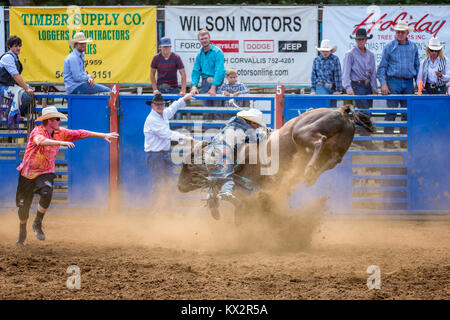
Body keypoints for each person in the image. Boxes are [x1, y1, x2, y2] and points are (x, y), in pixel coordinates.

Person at [15, 106, 119, 245]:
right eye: (57, 119)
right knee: (23, 209)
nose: (60, 121)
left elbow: (80, 133)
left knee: (47, 192)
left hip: (45, 171)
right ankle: (22, 231)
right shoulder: (37, 131)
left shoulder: (60, 132)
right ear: (49, 120)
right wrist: (61, 142)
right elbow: (41, 141)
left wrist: (103, 135)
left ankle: (37, 222)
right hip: (27, 174)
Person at [204, 108, 267, 220]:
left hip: (210, 151)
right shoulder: (249, 130)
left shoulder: (230, 123)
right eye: (257, 125)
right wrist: (265, 133)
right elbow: (256, 140)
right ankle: (226, 192)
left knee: (215, 178)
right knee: (228, 177)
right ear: (252, 122)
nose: (257, 127)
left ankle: (211, 196)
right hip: (224, 152)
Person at [143, 93, 195, 211]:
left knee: (169, 182)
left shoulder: (162, 114)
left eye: (161, 104)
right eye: (157, 104)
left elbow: (173, 108)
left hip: (162, 154)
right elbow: (166, 134)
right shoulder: (152, 120)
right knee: (159, 184)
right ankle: (156, 210)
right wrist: (184, 137)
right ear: (152, 106)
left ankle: (168, 209)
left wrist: (184, 98)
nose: (160, 106)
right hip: (155, 154)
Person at [377, 20, 420, 149]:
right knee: (392, 112)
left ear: (407, 33)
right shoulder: (389, 47)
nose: (400, 34)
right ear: (395, 33)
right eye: (398, 32)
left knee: (407, 113)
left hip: (408, 82)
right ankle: (388, 141)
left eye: (402, 32)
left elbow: (417, 66)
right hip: (393, 81)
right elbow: (382, 67)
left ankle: (404, 140)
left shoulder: (413, 47)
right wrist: (383, 84)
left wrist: (418, 83)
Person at [343, 28, 379, 150]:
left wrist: (374, 87)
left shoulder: (371, 55)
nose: (361, 41)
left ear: (366, 40)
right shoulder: (350, 54)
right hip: (357, 85)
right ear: (356, 40)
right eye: (358, 39)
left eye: (362, 39)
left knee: (366, 112)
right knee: (365, 112)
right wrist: (348, 87)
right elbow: (346, 72)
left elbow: (373, 72)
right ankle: (365, 140)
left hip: (368, 85)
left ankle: (362, 138)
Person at [190, 29, 226, 120]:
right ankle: (207, 133)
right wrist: (194, 86)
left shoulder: (218, 52)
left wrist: (213, 87)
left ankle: (218, 133)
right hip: (205, 84)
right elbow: (196, 71)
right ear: (199, 40)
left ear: (209, 38)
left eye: (205, 38)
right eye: (202, 39)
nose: (204, 40)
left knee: (217, 111)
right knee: (206, 112)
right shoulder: (199, 55)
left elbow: (219, 71)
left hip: (217, 84)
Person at [0, 36, 34, 127]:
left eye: (19, 46)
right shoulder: (8, 57)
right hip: (2, 87)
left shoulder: (15, 57)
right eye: (15, 46)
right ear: (9, 47)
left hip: (9, 85)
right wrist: (26, 88)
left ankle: (17, 112)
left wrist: (27, 87)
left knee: (29, 89)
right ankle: (13, 115)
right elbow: (15, 76)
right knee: (27, 94)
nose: (18, 48)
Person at [310, 39, 342, 108]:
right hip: (321, 86)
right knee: (323, 108)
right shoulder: (316, 60)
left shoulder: (335, 59)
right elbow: (313, 76)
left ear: (330, 51)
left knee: (332, 109)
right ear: (321, 51)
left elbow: (338, 75)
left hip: (332, 87)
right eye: (323, 51)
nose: (325, 52)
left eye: (327, 51)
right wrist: (313, 90)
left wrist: (338, 90)